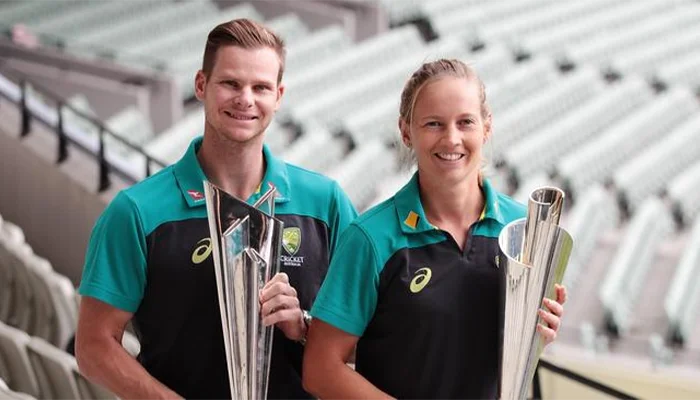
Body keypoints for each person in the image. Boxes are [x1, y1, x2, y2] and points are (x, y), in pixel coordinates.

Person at [75, 19, 357, 400]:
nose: (246, 99)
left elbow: (372, 339)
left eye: (260, 87)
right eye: (230, 83)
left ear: (279, 95)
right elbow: (94, 347)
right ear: (201, 85)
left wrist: (305, 325)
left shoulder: (326, 204)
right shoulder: (137, 212)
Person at [302, 59, 567, 400]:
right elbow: (320, 369)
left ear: (486, 127)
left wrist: (543, 326)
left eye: (465, 122)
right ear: (406, 131)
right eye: (434, 124)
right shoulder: (371, 238)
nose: (451, 138)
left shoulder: (522, 232)